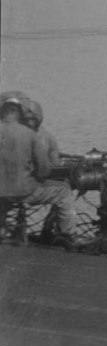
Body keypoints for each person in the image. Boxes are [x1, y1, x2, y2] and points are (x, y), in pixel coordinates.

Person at [19, 98, 83, 245]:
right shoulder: (45, 137)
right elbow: (51, 167)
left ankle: (47, 231)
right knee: (64, 191)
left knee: (60, 185)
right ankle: (67, 234)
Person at [0, 93, 49, 244]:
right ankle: (67, 236)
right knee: (64, 192)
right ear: (19, 113)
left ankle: (3, 228)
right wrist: (38, 177)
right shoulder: (31, 134)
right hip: (23, 192)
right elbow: (44, 169)